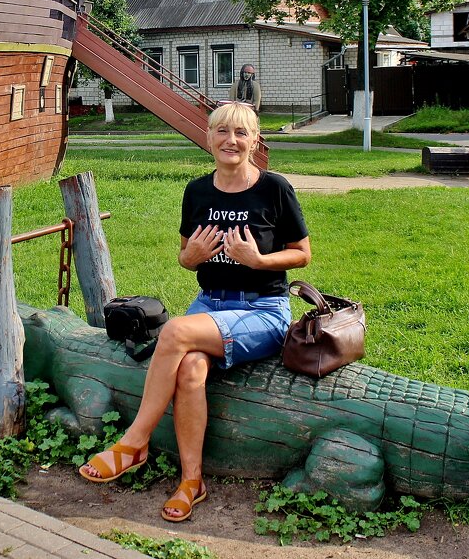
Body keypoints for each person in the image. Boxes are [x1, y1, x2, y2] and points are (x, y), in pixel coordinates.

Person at [78, 102, 310, 522]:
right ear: (208, 137)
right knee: (189, 371)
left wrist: (258, 260)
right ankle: (191, 481)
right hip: (210, 303)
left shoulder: (275, 189)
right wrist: (193, 256)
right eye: (222, 131)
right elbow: (186, 257)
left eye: (241, 132)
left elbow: (302, 255)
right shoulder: (197, 191)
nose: (231, 141)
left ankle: (134, 442)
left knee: (174, 333)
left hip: (263, 310)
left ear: (255, 140)